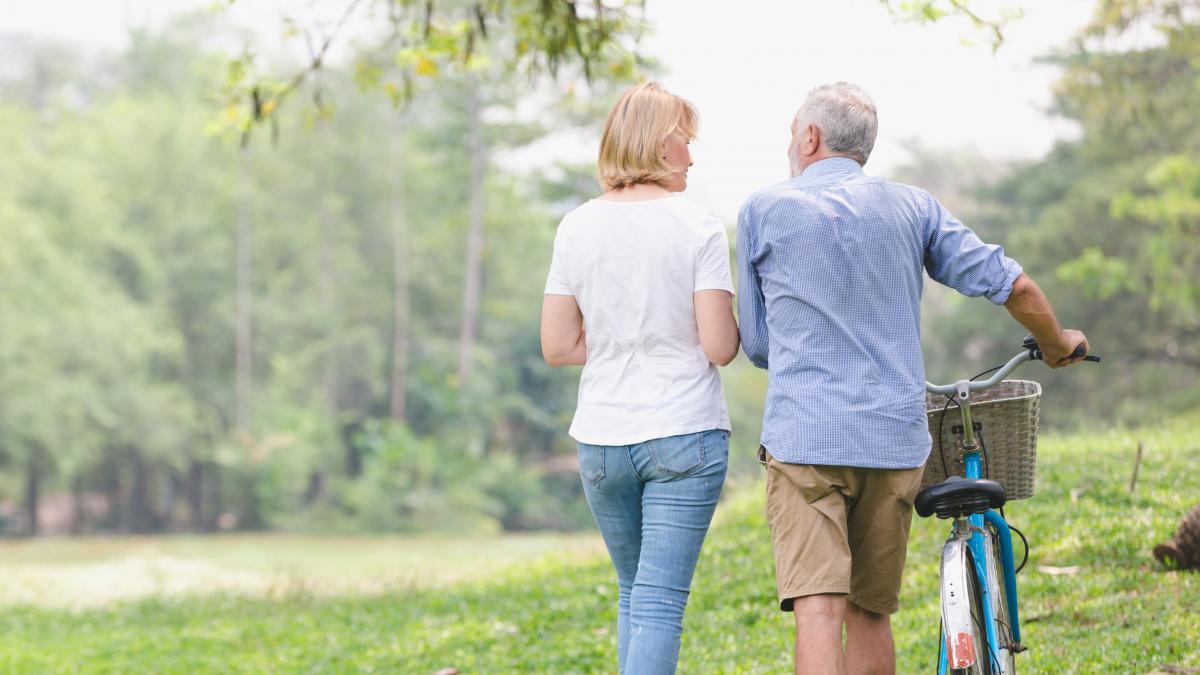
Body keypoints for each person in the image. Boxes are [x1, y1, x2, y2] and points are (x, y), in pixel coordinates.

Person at [736, 82, 1090, 675]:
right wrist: (1057, 346)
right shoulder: (914, 207)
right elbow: (1013, 285)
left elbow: (760, 343)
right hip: (892, 439)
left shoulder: (763, 209)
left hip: (805, 441)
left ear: (810, 137)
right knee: (871, 613)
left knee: (818, 611)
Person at [540, 81, 739, 675]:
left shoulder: (575, 226)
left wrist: (621, 342)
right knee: (658, 600)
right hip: (684, 431)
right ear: (658, 142)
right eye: (684, 141)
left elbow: (557, 345)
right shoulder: (699, 228)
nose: (692, 158)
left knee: (634, 593)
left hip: (602, 440)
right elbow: (719, 347)